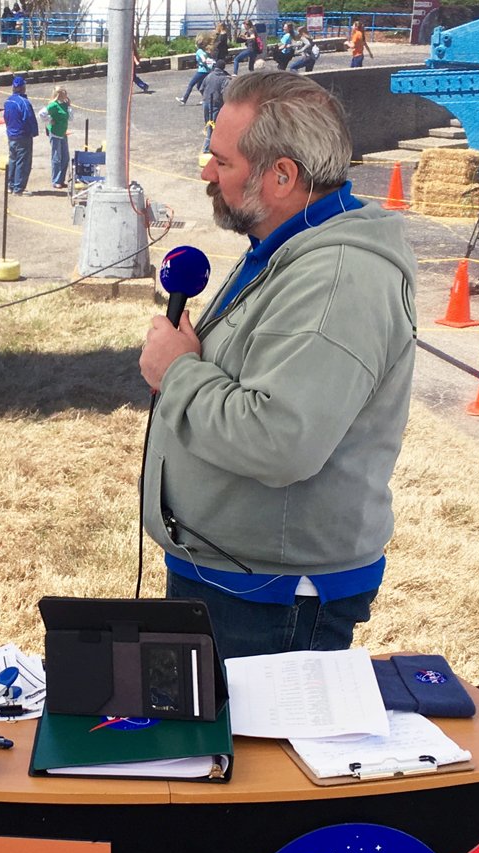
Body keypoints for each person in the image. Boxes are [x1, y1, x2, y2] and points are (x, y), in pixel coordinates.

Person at [138, 71, 417, 661]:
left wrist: (177, 372)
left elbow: (279, 440)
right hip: (235, 574)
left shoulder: (337, 278)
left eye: (222, 161)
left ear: (282, 175)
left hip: (271, 600)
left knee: (248, 727)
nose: (207, 174)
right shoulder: (288, 251)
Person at [3, 75, 39, 195]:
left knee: (13, 160)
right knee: (22, 162)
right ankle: (18, 188)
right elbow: (29, 118)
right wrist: (34, 132)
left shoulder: (8, 101)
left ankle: (10, 185)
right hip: (23, 135)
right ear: (23, 87)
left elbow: (6, 117)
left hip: (11, 135)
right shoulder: (24, 103)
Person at [39, 85, 72, 189]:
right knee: (57, 157)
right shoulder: (53, 105)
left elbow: (70, 118)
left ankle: (61, 179)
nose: (66, 95)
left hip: (63, 133)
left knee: (65, 157)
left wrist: (69, 106)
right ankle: (56, 180)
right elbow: (41, 114)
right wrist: (50, 120)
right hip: (55, 134)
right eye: (64, 93)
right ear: (59, 95)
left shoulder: (64, 105)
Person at [199, 59, 230, 154]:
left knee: (208, 123)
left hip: (206, 102)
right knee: (213, 125)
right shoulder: (224, 78)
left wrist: (205, 97)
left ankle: (210, 144)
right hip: (215, 103)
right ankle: (207, 147)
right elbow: (224, 92)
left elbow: (201, 88)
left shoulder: (209, 76)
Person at [177, 38, 213, 104]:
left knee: (191, 84)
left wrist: (203, 63)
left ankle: (184, 99)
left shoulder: (199, 51)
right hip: (207, 71)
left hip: (201, 71)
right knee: (199, 86)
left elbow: (203, 60)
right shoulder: (204, 51)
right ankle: (206, 99)